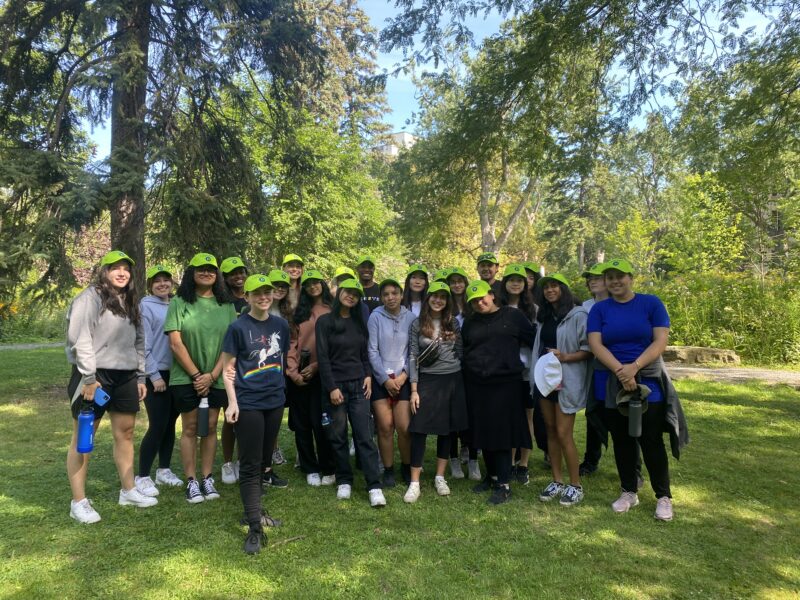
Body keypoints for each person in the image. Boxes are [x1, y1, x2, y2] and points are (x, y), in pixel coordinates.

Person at [587, 259, 688, 521]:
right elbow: (596, 344)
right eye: (610, 277)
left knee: (651, 439)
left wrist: (634, 367)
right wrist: (621, 371)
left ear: (631, 278)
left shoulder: (651, 303)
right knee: (622, 439)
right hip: (612, 381)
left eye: (620, 276)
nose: (615, 281)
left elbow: (661, 340)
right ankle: (628, 490)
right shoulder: (600, 310)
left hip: (648, 381)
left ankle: (663, 496)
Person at [66, 250, 156, 524]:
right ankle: (78, 502)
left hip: (126, 376)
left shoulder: (130, 301)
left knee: (126, 433)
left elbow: (139, 341)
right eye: (115, 268)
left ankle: (128, 490)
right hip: (95, 377)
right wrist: (90, 379)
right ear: (103, 271)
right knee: (84, 439)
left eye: (126, 269)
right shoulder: (89, 297)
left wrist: (140, 377)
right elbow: (80, 338)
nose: (121, 273)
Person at [222, 274, 290, 554]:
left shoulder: (281, 325)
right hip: (248, 402)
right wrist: (232, 403)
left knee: (263, 461)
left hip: (274, 401)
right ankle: (254, 528)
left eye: (267, 292)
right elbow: (228, 369)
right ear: (247, 297)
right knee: (250, 464)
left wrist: (281, 391)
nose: (263, 297)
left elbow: (280, 360)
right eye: (257, 293)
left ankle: (254, 511)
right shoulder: (237, 328)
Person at [164, 252, 237, 503]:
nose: (206, 272)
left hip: (216, 376)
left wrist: (212, 375)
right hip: (186, 378)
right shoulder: (179, 302)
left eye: (211, 269)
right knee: (191, 428)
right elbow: (175, 343)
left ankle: (208, 477)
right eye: (201, 269)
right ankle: (192, 481)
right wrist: (197, 375)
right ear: (191, 273)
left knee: (210, 427)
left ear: (217, 275)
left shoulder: (226, 305)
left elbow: (230, 345)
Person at [461, 280, 535, 504]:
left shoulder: (512, 316)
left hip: (506, 384)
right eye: (473, 301)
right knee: (483, 432)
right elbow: (465, 349)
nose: (479, 302)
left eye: (482, 297)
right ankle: (491, 477)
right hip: (477, 384)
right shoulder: (470, 323)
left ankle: (504, 484)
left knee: (502, 434)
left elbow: (534, 341)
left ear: (492, 295)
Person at [315, 279, 387, 507]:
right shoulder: (325, 322)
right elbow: (323, 357)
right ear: (339, 294)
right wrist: (332, 387)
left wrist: (367, 374)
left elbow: (365, 353)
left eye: (356, 294)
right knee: (337, 436)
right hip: (336, 387)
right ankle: (344, 479)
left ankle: (374, 485)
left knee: (364, 436)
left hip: (359, 386)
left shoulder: (359, 322)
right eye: (348, 292)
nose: (351, 297)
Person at [531, 273, 592, 506]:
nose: (549, 290)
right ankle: (556, 480)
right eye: (546, 288)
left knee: (564, 433)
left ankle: (575, 485)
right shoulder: (544, 316)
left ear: (563, 289)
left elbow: (588, 349)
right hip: (545, 381)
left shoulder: (577, 315)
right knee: (550, 431)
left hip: (566, 382)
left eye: (554, 286)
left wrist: (564, 356)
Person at [404, 282, 468, 503]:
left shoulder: (453, 323)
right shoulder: (417, 323)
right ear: (428, 298)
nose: (438, 300)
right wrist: (414, 389)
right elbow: (413, 356)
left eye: (443, 296)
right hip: (427, 381)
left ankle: (440, 477)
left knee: (446, 430)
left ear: (447, 300)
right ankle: (415, 482)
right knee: (419, 429)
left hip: (452, 379)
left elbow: (459, 351)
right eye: (435, 296)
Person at [135, 264, 182, 498]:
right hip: (158, 374)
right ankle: (142, 475)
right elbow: (143, 344)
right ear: (150, 285)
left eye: (166, 280)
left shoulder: (175, 304)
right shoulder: (145, 306)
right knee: (157, 425)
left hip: (177, 374)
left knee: (171, 423)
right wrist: (153, 375)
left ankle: (164, 469)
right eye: (157, 281)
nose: (162, 284)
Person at [286, 269, 336, 487]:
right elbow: (292, 344)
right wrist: (293, 372)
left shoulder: (333, 309)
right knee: (302, 424)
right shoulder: (299, 312)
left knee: (322, 422)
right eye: (308, 284)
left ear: (322, 284)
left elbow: (338, 346)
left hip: (323, 373)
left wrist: (318, 366)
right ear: (304, 288)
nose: (313, 286)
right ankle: (309, 466)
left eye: (317, 282)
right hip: (300, 373)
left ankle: (327, 465)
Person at [368, 278, 416, 488]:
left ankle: (407, 465)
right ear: (381, 298)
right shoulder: (375, 317)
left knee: (404, 427)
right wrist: (385, 380)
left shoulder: (411, 317)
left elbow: (413, 351)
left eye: (394, 293)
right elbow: (372, 350)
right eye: (386, 294)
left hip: (403, 379)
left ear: (401, 295)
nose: (390, 298)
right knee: (385, 427)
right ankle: (388, 469)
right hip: (382, 379)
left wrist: (405, 376)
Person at [498, 264, 537, 486]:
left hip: (528, 372)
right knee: (509, 417)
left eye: (519, 280)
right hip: (505, 371)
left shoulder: (534, 310)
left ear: (525, 284)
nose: (515, 283)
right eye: (511, 280)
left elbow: (536, 340)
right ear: (505, 283)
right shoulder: (498, 307)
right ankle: (510, 461)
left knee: (527, 417)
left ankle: (524, 464)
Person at [444, 266, 477, 479]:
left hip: (472, 366)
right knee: (450, 416)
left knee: (472, 414)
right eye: (452, 281)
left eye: (460, 281)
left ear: (465, 283)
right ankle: (453, 460)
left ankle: (473, 459)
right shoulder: (443, 310)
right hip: (450, 367)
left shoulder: (473, 306)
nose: (456, 285)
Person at [219, 256, 248, 484]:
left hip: (249, 366)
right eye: (232, 274)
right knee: (230, 417)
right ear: (225, 278)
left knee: (247, 418)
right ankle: (227, 462)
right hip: (227, 364)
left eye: (241, 272)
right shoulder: (222, 302)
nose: (238, 277)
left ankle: (242, 459)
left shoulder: (252, 298)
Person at [579, 262, 608, 476]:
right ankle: (590, 461)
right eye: (590, 278)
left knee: (624, 417)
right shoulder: (584, 306)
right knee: (593, 414)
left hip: (617, 366)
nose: (592, 281)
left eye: (597, 277)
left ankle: (634, 470)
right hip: (591, 367)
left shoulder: (618, 304)